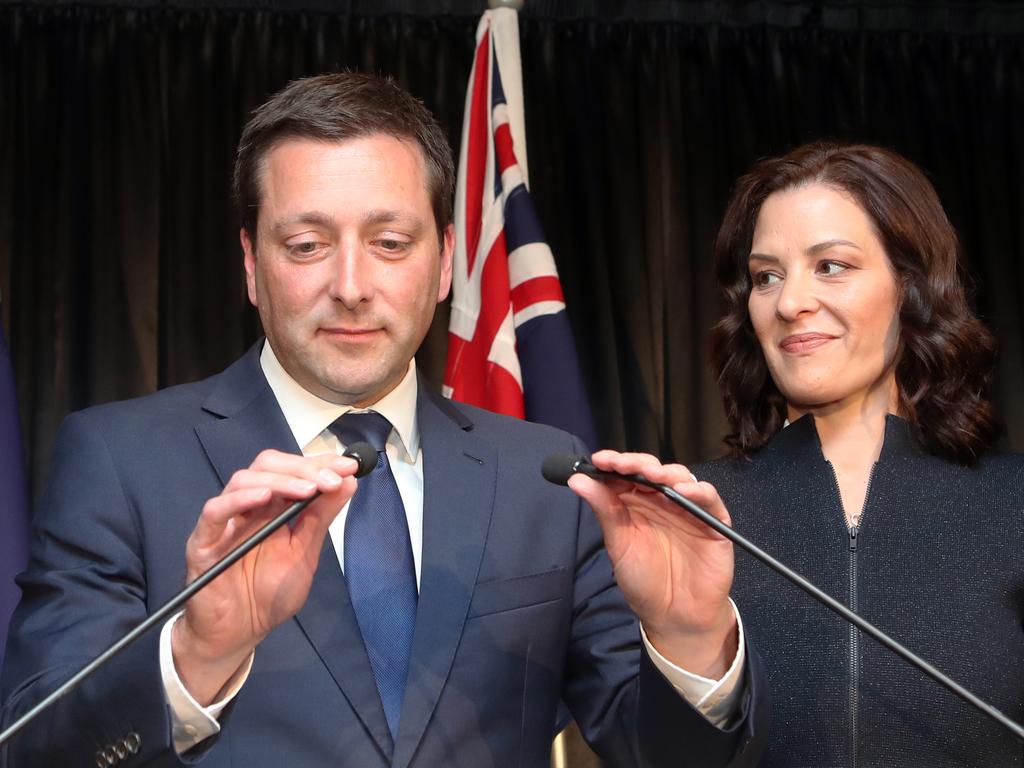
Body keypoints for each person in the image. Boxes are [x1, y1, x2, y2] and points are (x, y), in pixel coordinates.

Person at [0, 73, 765, 767]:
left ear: (442, 263)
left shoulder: (546, 473)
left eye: (390, 243)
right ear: (249, 264)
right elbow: (36, 747)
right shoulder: (120, 458)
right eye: (307, 245)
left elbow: (664, 757)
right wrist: (197, 655)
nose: (352, 285)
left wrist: (690, 639)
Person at [587, 142, 1024, 766]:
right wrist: (686, 638)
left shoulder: (1013, 506)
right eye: (766, 276)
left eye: (832, 265)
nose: (789, 303)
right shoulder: (684, 517)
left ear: (910, 286)